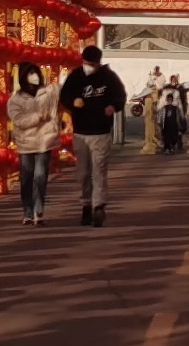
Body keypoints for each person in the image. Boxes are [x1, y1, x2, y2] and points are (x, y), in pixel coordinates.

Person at [61, 44, 128, 223]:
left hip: (101, 132)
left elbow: (120, 96)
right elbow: (64, 96)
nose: (88, 66)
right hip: (81, 132)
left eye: (91, 63)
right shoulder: (75, 77)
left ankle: (98, 206)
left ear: (98, 63)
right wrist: (72, 102)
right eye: (85, 63)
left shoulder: (109, 77)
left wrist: (113, 106)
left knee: (99, 170)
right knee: (83, 173)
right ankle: (86, 204)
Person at [7, 63, 59, 222]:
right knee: (26, 177)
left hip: (45, 140)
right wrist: (38, 117)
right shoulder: (15, 100)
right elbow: (18, 120)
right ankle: (27, 211)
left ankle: (38, 209)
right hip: (26, 143)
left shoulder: (48, 92)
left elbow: (61, 93)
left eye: (35, 72)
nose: (34, 76)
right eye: (30, 73)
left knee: (40, 175)